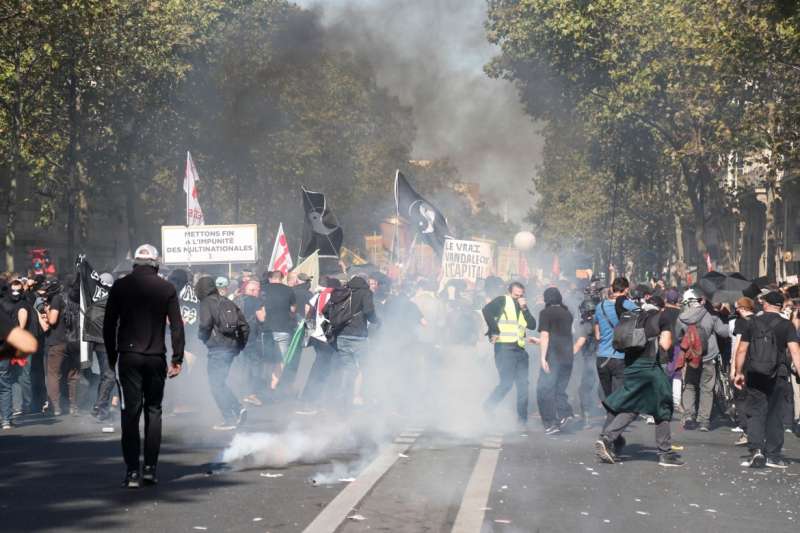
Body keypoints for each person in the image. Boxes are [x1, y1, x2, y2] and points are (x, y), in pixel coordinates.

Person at [103, 244, 185, 488]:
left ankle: (132, 472)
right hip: (155, 356)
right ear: (156, 264)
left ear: (134, 264)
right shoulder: (167, 287)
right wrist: (177, 358)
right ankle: (150, 468)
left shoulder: (121, 286)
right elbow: (177, 326)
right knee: (154, 411)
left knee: (130, 414)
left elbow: (108, 325)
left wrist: (111, 356)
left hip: (128, 356)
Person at [595, 297, 684, 467]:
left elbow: (619, 302)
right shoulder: (662, 317)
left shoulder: (633, 317)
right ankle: (665, 453)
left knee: (632, 406)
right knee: (663, 407)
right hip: (650, 367)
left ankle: (607, 438)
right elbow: (665, 345)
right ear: (660, 308)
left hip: (630, 367)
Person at [733, 291, 800, 468]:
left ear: (765, 305)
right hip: (778, 373)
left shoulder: (752, 323)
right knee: (775, 413)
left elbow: (742, 350)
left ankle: (756, 450)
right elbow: (795, 351)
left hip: (755, 373)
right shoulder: (787, 325)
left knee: (755, 411)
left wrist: (738, 372)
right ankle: (773, 454)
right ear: (780, 306)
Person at [196, 276, 249, 430]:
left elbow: (205, 325)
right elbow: (245, 326)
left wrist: (202, 338)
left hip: (217, 349)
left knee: (216, 384)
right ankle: (237, 410)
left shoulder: (206, 303)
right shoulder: (228, 301)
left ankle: (231, 416)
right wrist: (239, 346)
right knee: (220, 382)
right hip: (230, 348)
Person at [482, 281, 537, 427]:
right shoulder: (502, 300)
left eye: (520, 295)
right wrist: (494, 330)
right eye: (515, 295)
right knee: (506, 383)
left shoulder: (522, 306)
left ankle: (522, 420)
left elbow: (532, 325)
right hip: (504, 348)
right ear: (509, 291)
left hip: (519, 349)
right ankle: (488, 406)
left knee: (523, 385)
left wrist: (524, 308)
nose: (518, 297)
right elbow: (486, 311)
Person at [676, 289, 730, 432]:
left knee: (689, 385)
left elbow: (678, 337)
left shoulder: (682, 316)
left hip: (690, 357)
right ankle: (704, 420)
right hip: (709, 356)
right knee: (707, 388)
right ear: (701, 300)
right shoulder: (711, 314)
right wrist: (725, 317)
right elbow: (724, 332)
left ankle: (688, 416)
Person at [593, 277, 637, 447]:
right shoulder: (628, 305)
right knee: (618, 404)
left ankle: (615, 441)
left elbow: (597, 334)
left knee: (611, 400)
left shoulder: (600, 306)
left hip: (601, 358)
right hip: (619, 358)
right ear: (626, 290)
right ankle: (606, 438)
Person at [326, 274, 378, 411]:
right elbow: (369, 311)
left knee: (347, 368)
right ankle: (357, 396)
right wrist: (377, 322)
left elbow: (326, 311)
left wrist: (339, 321)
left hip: (341, 335)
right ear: (366, 282)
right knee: (362, 367)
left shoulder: (342, 291)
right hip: (358, 336)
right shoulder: (365, 293)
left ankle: (342, 395)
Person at [536, 287, 575, 434]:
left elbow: (545, 335)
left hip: (553, 357)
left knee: (544, 390)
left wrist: (542, 357)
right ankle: (565, 414)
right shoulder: (567, 313)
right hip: (567, 357)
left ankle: (550, 423)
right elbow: (565, 334)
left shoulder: (545, 313)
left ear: (546, 299)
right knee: (559, 388)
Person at [43, 279, 80, 416]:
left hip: (58, 341)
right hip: (75, 342)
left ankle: (56, 407)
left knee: (53, 374)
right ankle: (73, 407)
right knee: (73, 375)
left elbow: (52, 320)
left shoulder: (57, 299)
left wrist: (47, 311)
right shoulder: (76, 299)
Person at [83, 273, 116, 421]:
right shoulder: (114, 299)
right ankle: (101, 406)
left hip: (97, 344)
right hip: (108, 344)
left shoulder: (93, 297)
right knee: (109, 376)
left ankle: (100, 406)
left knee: (105, 376)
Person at [261, 270, 296, 389]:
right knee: (281, 359)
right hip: (283, 328)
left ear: (270, 278)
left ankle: (265, 382)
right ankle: (273, 385)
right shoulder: (289, 290)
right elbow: (292, 309)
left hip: (267, 329)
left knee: (267, 357)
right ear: (281, 278)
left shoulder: (263, 289)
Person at [729, 297, 755, 445]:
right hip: (757, 364)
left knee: (741, 397)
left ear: (743, 308)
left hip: (743, 364)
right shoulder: (759, 320)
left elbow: (738, 346)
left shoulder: (740, 322)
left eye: (738, 308)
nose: (736, 310)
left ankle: (746, 430)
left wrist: (733, 368)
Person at [240, 280, 266, 407]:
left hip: (237, 337)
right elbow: (262, 318)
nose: (257, 292)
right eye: (255, 290)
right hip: (251, 336)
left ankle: (240, 390)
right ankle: (252, 394)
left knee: (242, 364)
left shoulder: (237, 300)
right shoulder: (256, 301)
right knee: (255, 364)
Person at [573, 298, 598, 429]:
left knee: (584, 390)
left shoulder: (587, 325)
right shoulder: (601, 321)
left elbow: (579, 344)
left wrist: (568, 355)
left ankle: (587, 419)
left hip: (590, 360)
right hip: (604, 359)